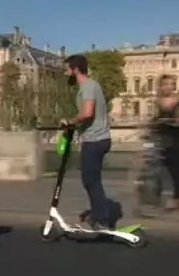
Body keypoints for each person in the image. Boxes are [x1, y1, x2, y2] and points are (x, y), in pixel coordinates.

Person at [61, 54, 114, 231]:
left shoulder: (89, 86)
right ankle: (98, 215)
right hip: (95, 138)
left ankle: (103, 219)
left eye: (67, 68)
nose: (65, 72)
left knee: (91, 180)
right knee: (91, 179)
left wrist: (70, 121)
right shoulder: (87, 87)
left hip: (95, 139)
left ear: (75, 69)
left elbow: (87, 113)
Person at [154, 74, 179, 212]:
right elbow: (157, 119)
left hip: (177, 138)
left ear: (174, 86)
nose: (167, 87)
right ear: (161, 86)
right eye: (165, 84)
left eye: (170, 84)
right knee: (167, 169)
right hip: (164, 138)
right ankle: (173, 198)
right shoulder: (159, 102)